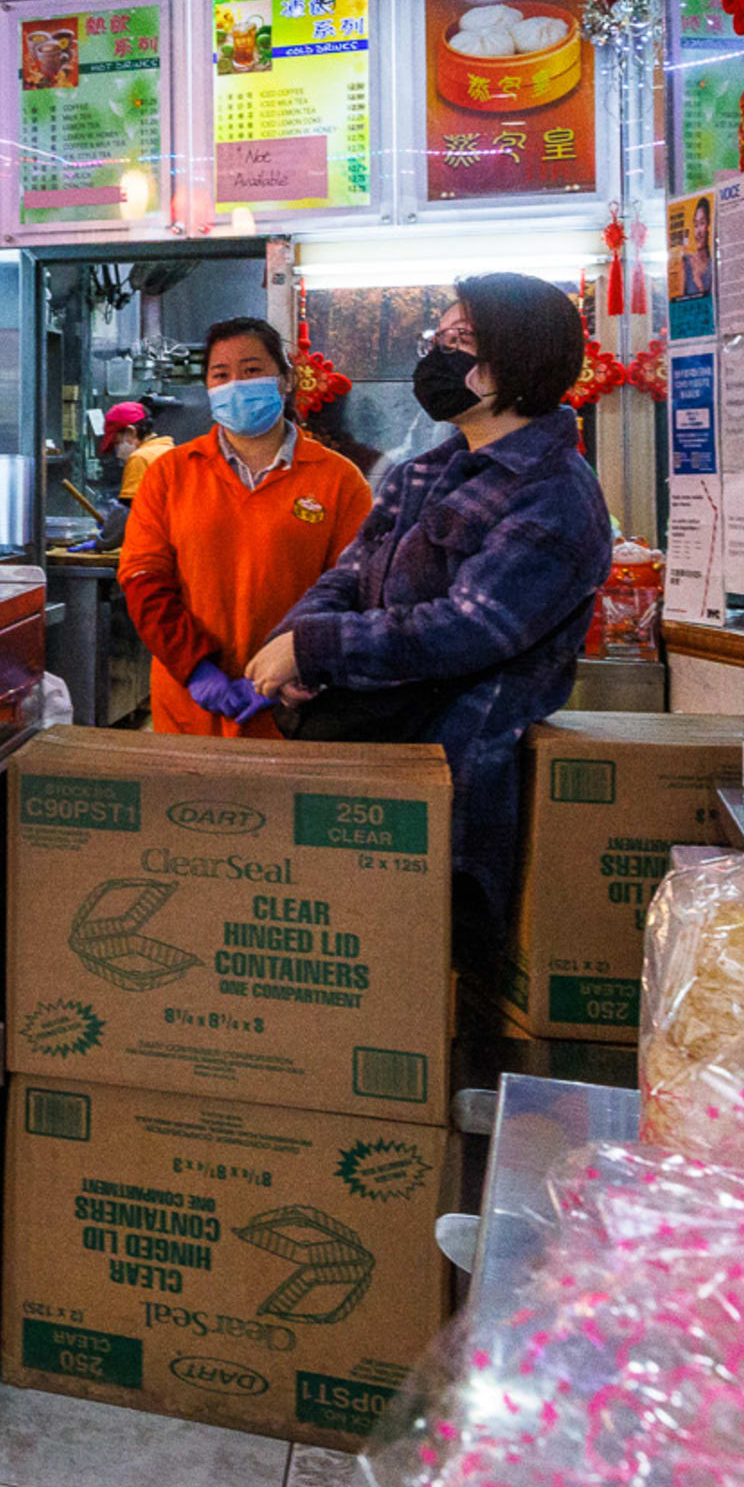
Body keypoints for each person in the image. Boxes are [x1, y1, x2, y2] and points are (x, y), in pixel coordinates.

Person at [247, 272, 614, 995]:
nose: (438, 358)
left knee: (422, 1000)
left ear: (522, 362)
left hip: (451, 798)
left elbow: (468, 628)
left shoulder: (555, 496)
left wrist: (318, 649)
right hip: (367, 763)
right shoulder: (426, 472)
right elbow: (350, 575)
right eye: (436, 340)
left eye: (461, 343)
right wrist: (298, 638)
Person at [116, 317, 374, 735]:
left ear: (286, 379)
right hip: (187, 708)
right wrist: (195, 667)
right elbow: (143, 579)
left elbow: (356, 589)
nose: (236, 383)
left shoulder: (339, 480)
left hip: (293, 711)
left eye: (252, 370)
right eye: (221, 374)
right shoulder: (170, 474)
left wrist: (303, 667)